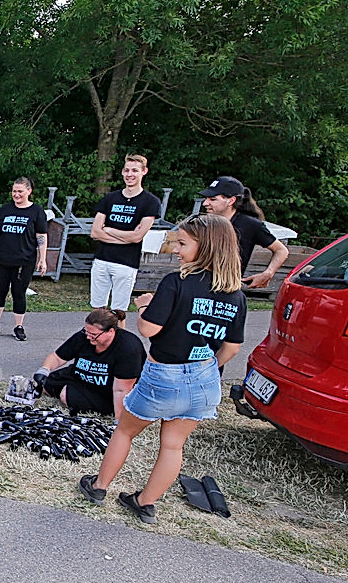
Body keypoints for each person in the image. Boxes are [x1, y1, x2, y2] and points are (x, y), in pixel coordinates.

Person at [78, 214, 246, 524]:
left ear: (206, 246)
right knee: (173, 445)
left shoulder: (177, 283)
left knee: (126, 430)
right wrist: (205, 368)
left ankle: (99, 487)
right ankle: (145, 503)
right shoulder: (235, 294)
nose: (176, 250)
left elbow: (149, 329)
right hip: (205, 380)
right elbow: (232, 348)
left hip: (164, 374)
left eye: (183, 243)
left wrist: (143, 305)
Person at [33, 308, 146, 419]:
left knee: (66, 395)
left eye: (93, 334)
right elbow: (57, 357)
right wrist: (45, 369)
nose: (88, 337)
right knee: (44, 384)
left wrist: (118, 422)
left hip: (110, 388)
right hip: (81, 376)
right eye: (86, 331)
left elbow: (122, 390)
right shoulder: (84, 336)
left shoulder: (128, 347)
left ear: (110, 331)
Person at [0, 177, 48, 341]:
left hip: (24, 260)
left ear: (29, 191)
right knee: (0, 291)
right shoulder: (4, 210)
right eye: (14, 191)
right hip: (1, 258)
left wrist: (42, 259)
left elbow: (41, 236)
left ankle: (18, 326)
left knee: (18, 292)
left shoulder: (37, 211)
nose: (16, 194)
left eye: (20, 191)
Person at [89, 155, 161, 323]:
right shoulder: (110, 198)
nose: (130, 174)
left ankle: (118, 344)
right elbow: (95, 232)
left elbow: (137, 237)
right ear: (122, 172)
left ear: (144, 172)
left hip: (126, 263)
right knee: (97, 309)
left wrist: (108, 230)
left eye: (135, 170)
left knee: (118, 311)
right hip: (102, 259)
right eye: (127, 170)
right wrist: (125, 236)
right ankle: (97, 340)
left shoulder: (150, 202)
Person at [199, 175, 290, 289]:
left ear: (231, 200)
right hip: (198, 285)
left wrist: (268, 273)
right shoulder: (202, 223)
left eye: (212, 199)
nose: (205, 203)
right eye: (206, 199)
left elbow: (281, 250)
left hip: (228, 290)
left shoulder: (251, 225)